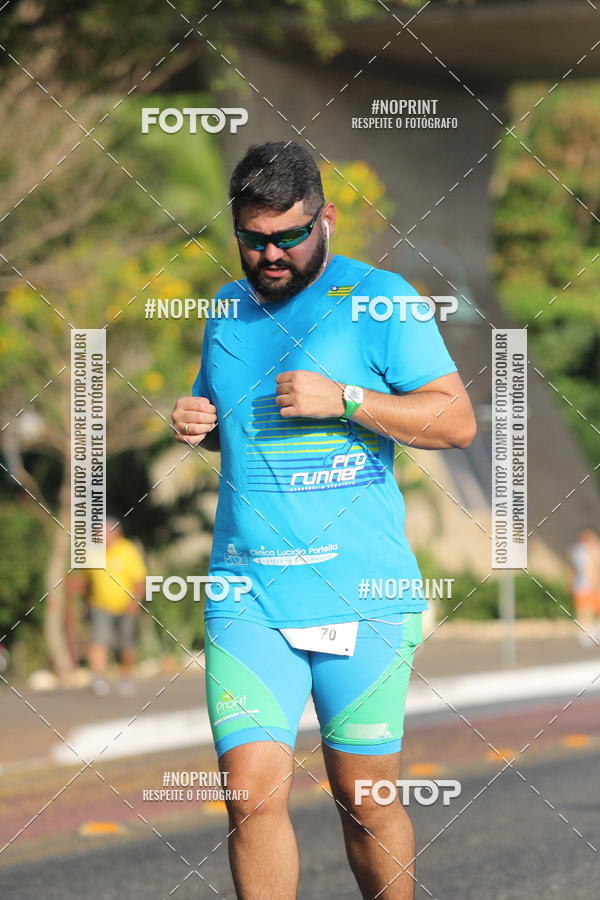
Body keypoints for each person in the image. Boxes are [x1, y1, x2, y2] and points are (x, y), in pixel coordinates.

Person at [172, 141, 476, 899]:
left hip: (360, 591)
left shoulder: (383, 300)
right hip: (251, 593)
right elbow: (232, 423)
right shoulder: (225, 310)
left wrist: (345, 399)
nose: (270, 253)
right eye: (254, 238)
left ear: (327, 220)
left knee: (365, 804)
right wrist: (200, 421)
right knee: (250, 797)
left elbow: (456, 420)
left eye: (289, 236)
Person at [72, 518, 146, 696]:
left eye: (104, 533)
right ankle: (98, 678)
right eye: (99, 534)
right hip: (100, 606)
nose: (101, 537)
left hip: (126, 606)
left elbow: (139, 581)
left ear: (116, 533)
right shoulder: (93, 553)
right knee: (99, 641)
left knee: (126, 645)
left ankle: (125, 677)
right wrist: (82, 598)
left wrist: (134, 603)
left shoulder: (128, 550)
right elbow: (84, 579)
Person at [569, 526, 600, 645]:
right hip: (585, 585)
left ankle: (590, 634)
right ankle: (586, 635)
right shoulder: (580, 550)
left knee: (589, 611)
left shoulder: (591, 549)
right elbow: (590, 569)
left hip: (589, 585)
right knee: (585, 611)